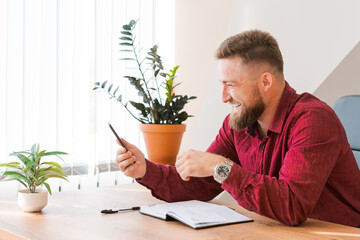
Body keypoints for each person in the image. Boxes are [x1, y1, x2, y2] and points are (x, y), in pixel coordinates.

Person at [115, 30, 360, 227]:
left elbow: (292, 206)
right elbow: (202, 183)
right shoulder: (239, 123)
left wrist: (219, 166)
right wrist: (145, 169)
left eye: (230, 85)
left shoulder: (313, 119)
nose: (223, 97)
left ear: (266, 81)